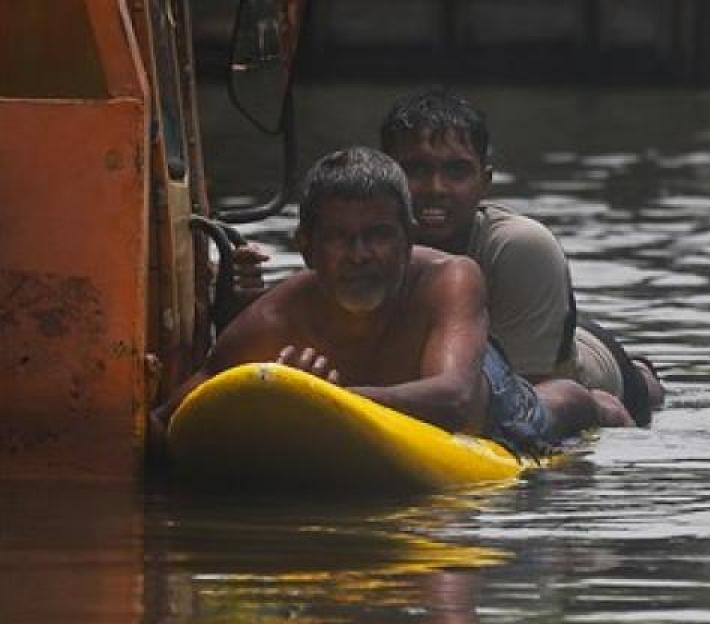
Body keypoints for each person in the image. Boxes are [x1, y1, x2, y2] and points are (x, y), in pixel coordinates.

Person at [152, 147, 631, 455]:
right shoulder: (280, 315)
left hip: (492, 400)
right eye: (340, 239)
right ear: (307, 249)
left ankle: (617, 397)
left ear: (408, 240)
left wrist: (321, 402)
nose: (360, 256)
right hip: (386, 399)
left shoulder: (450, 277)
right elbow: (166, 422)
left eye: (378, 235)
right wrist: (270, 401)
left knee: (568, 402)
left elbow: (456, 400)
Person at [378, 87, 664, 426]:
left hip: (575, 366)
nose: (435, 188)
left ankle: (645, 378)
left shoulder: (520, 246)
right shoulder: (360, 240)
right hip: (467, 353)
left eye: (456, 171)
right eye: (416, 170)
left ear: (485, 182)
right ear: (386, 178)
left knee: (640, 392)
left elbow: (526, 404)